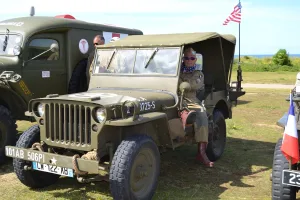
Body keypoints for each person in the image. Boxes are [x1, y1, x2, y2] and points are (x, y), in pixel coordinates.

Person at [178, 47, 213, 168]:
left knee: (201, 114)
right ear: (182, 59)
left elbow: (193, 84)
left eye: (191, 58)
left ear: (195, 60)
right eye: (186, 58)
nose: (188, 60)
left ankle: (201, 152)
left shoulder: (198, 74)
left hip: (190, 99)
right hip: (175, 98)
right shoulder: (176, 71)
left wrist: (182, 83)